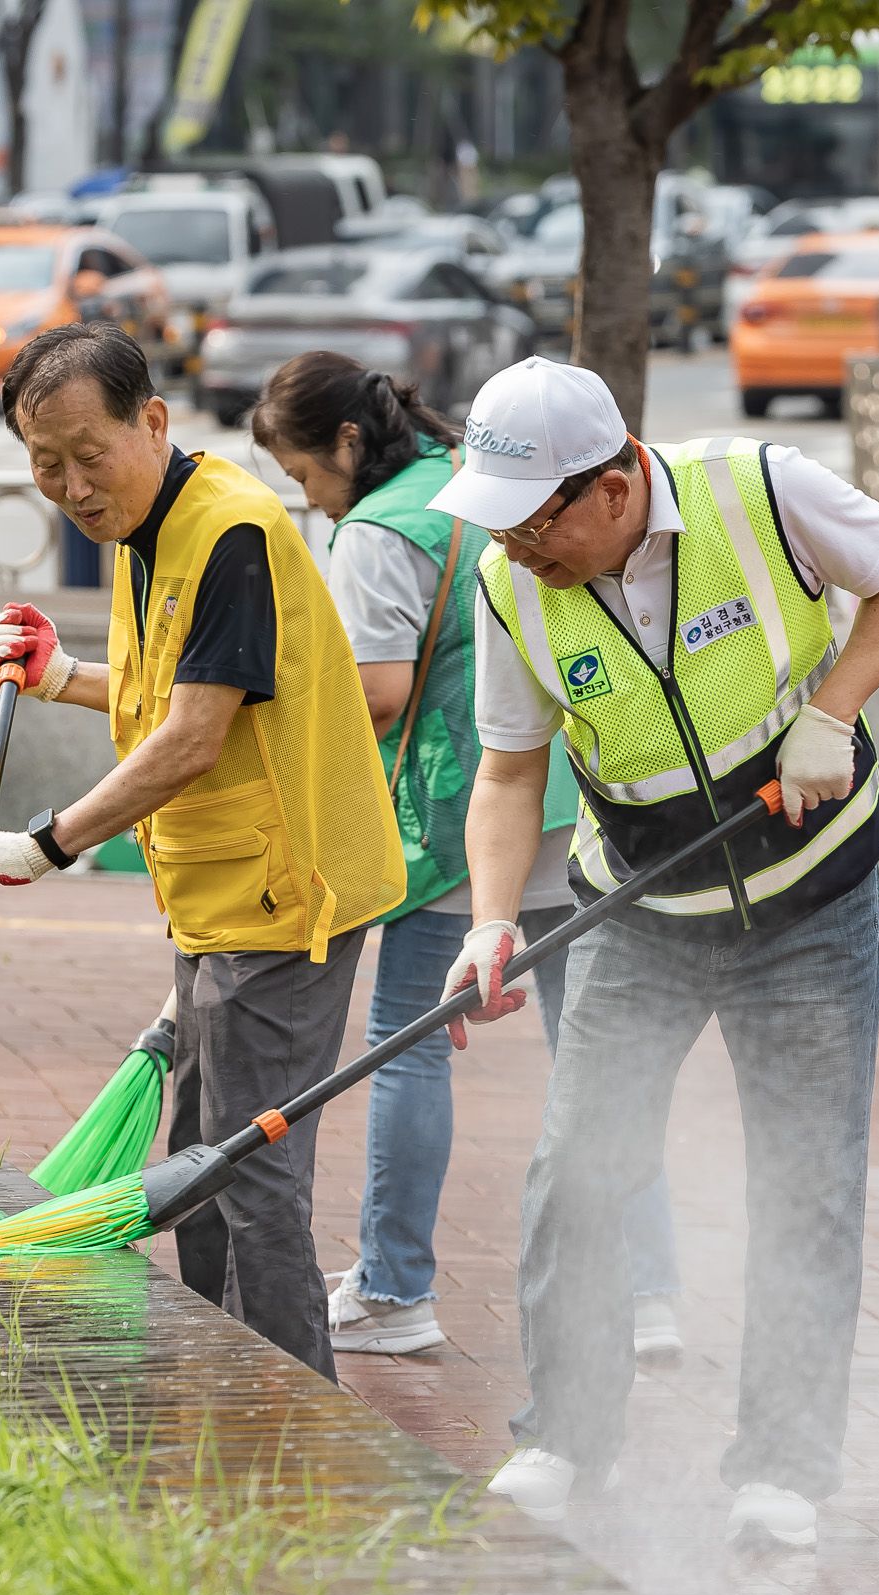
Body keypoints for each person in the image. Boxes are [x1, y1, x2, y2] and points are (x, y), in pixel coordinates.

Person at [429, 357, 879, 1547]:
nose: (511, 551)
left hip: (809, 907)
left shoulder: (761, 490)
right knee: (577, 1173)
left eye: (529, 523)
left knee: (805, 1183)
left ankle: (781, 1468)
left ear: (609, 488)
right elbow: (508, 773)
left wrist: (831, 713)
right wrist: (494, 922)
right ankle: (564, 1433)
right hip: (637, 920)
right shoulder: (512, 589)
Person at [0, 323, 404, 1379]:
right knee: (199, 1166)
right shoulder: (156, 527)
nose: (70, 484)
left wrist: (40, 847)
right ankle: (222, 1385)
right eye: (43, 462)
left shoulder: (228, 530)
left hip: (284, 898)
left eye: (87, 454)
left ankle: (293, 1424)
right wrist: (63, 674)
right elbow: (185, 691)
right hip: (219, 898)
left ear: (152, 422)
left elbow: (194, 736)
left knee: (247, 1176)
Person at [250, 352, 685, 1362]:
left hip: (455, 822)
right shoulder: (467, 483)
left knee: (407, 1047)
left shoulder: (374, 530)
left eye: (303, 476)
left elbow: (375, 691)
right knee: (602, 1059)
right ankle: (651, 1293)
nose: (308, 502)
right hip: (568, 803)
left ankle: (396, 1287)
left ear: (347, 445)